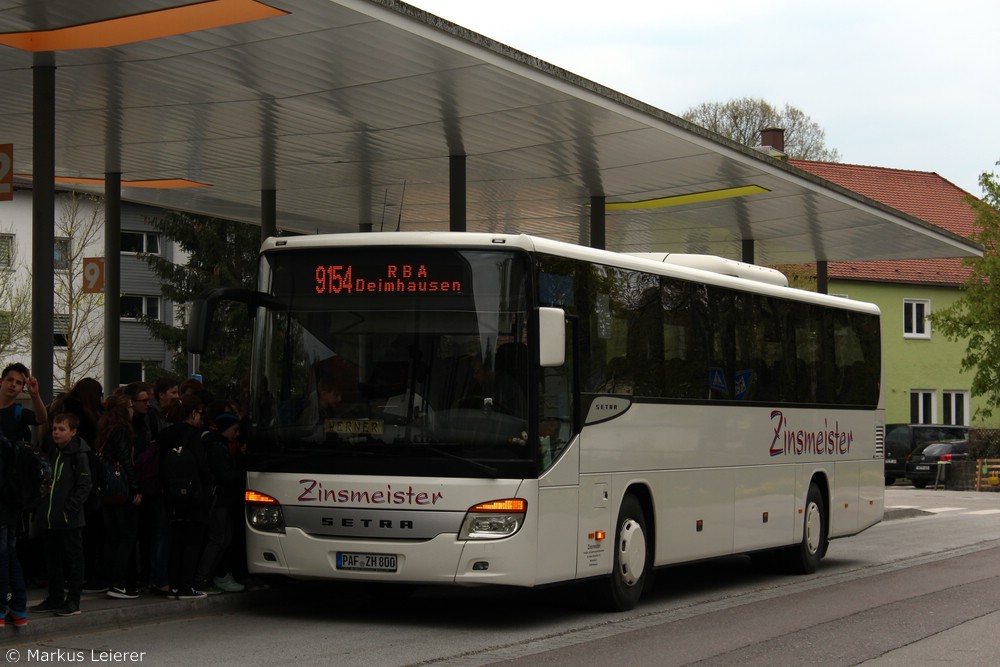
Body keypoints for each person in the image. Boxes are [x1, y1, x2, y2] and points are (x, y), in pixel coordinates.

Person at [31, 413, 92, 617]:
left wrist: (69, 508)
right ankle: (55, 597)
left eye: (62, 429)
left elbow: (84, 485)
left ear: (73, 432)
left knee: (74, 559)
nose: (57, 432)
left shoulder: (78, 455)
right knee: (52, 559)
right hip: (49, 516)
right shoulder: (51, 450)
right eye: (55, 429)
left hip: (68, 518)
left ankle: (73, 601)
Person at [156, 395, 210, 599]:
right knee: (193, 541)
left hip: (170, 495)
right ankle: (187, 586)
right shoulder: (193, 435)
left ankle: (174, 586)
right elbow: (201, 467)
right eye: (200, 414)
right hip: (193, 495)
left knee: (176, 541)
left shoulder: (165, 434)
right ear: (193, 413)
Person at [95, 393, 141, 600]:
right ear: (124, 409)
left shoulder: (104, 429)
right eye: (131, 406)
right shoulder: (122, 430)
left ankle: (111, 580)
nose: (133, 410)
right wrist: (136, 487)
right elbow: (125, 460)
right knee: (127, 536)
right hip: (121, 489)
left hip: (107, 490)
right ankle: (119, 582)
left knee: (112, 536)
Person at [194, 410, 245, 594]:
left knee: (224, 538)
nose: (236, 434)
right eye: (235, 430)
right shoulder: (216, 446)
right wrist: (243, 472)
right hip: (219, 499)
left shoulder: (219, 444)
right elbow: (223, 475)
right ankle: (201, 579)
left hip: (222, 499)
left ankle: (210, 576)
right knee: (218, 539)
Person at [0, 429, 28, 628]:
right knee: (9, 555)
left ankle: (1, 609)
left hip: (2, 509)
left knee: (2, 557)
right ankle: (18, 608)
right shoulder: (7, 441)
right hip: (9, 509)